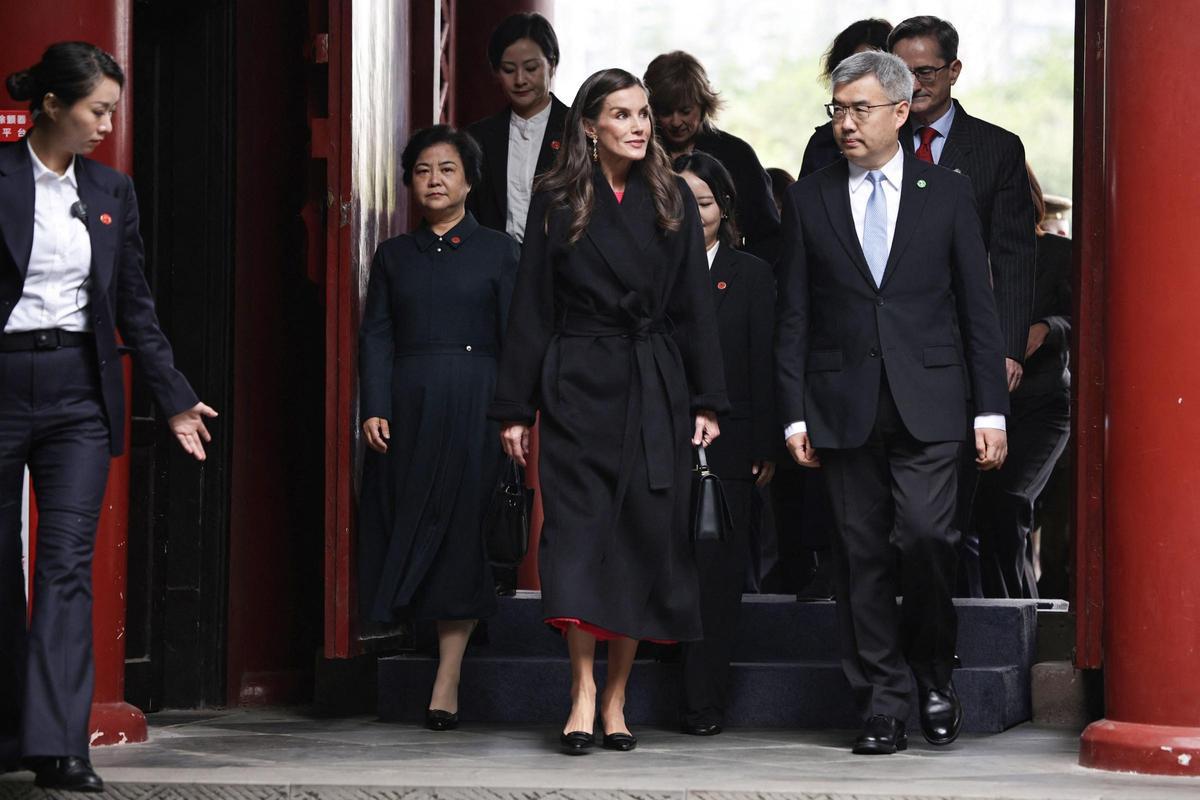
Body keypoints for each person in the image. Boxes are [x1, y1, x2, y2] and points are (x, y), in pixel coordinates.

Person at [775, 51, 1008, 755]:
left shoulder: (949, 192)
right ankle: (881, 701)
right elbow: (794, 316)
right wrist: (793, 413)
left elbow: (978, 308)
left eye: (859, 109)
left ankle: (934, 677)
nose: (845, 123)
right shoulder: (810, 196)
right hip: (841, 404)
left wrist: (990, 410)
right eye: (837, 110)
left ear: (901, 112)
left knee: (928, 540)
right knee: (859, 557)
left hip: (934, 403)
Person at [490, 68, 727, 755]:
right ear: (590, 125)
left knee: (641, 539)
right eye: (622, 114)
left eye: (644, 114)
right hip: (576, 386)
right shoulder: (556, 200)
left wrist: (708, 398)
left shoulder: (672, 197)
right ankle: (582, 687)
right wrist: (514, 408)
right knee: (578, 537)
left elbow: (693, 308)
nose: (639, 125)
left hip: (653, 385)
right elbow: (531, 307)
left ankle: (618, 698)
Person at [1, 42, 215, 792]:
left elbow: (135, 308)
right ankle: (9, 728)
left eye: (113, 112)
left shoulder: (111, 191)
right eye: (97, 110)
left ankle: (60, 745)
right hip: (2, 378)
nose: (105, 124)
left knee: (64, 567)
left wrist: (176, 395)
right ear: (53, 105)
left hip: (78, 394)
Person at [357, 125, 519, 732]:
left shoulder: (501, 251)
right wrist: (375, 404)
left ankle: (447, 675)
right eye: (423, 170)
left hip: (477, 400)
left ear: (470, 181)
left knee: (461, 529)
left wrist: (514, 414)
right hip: (408, 400)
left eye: (447, 170)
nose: (434, 181)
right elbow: (377, 335)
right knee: (408, 514)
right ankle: (420, 635)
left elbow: (516, 340)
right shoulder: (395, 255)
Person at [888, 16, 1038, 596]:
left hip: (963, 349)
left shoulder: (996, 149)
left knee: (949, 509)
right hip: (889, 341)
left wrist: (1004, 350)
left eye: (925, 71)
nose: (914, 83)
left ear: (954, 70)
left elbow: (1014, 256)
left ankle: (940, 623)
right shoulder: (872, 142)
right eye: (902, 72)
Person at [674, 151, 775, 736]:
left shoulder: (752, 274)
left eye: (704, 202)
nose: (694, 213)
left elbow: (764, 361)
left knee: (716, 576)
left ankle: (703, 702)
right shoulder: (652, 270)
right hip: (659, 438)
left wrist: (763, 442)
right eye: (682, 200)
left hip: (731, 444)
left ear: (725, 208)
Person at [972, 165, 1072, 598]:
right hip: (977, 404)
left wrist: (1047, 328)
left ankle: (1015, 617)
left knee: (1009, 504)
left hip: (1041, 405)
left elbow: (1093, 317)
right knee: (969, 519)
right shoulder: (969, 257)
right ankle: (984, 619)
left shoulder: (1059, 254)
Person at [643, 52, 780, 262]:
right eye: (666, 112)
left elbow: (767, 234)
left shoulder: (736, 154)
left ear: (703, 105)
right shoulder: (641, 154)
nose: (676, 121)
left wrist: (742, 277)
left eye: (685, 111)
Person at [466, 12, 568, 244]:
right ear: (496, 72)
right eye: (509, 70)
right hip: (495, 270)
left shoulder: (577, 130)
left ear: (552, 65)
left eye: (531, 68)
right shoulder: (477, 138)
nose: (520, 80)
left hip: (562, 271)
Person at [799, 18, 892, 178]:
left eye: (871, 68)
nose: (861, 78)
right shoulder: (823, 143)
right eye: (850, 69)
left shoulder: (913, 131)